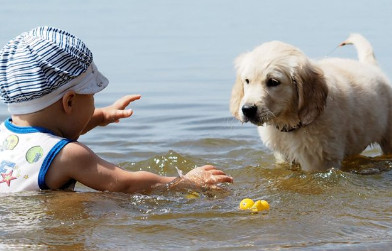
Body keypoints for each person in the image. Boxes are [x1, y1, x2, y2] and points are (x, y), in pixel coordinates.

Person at [0, 26, 233, 193]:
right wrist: (187, 182)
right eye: (91, 96)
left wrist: (100, 116)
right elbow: (126, 183)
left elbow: (50, 134)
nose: (94, 104)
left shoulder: (6, 134)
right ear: (69, 102)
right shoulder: (71, 155)